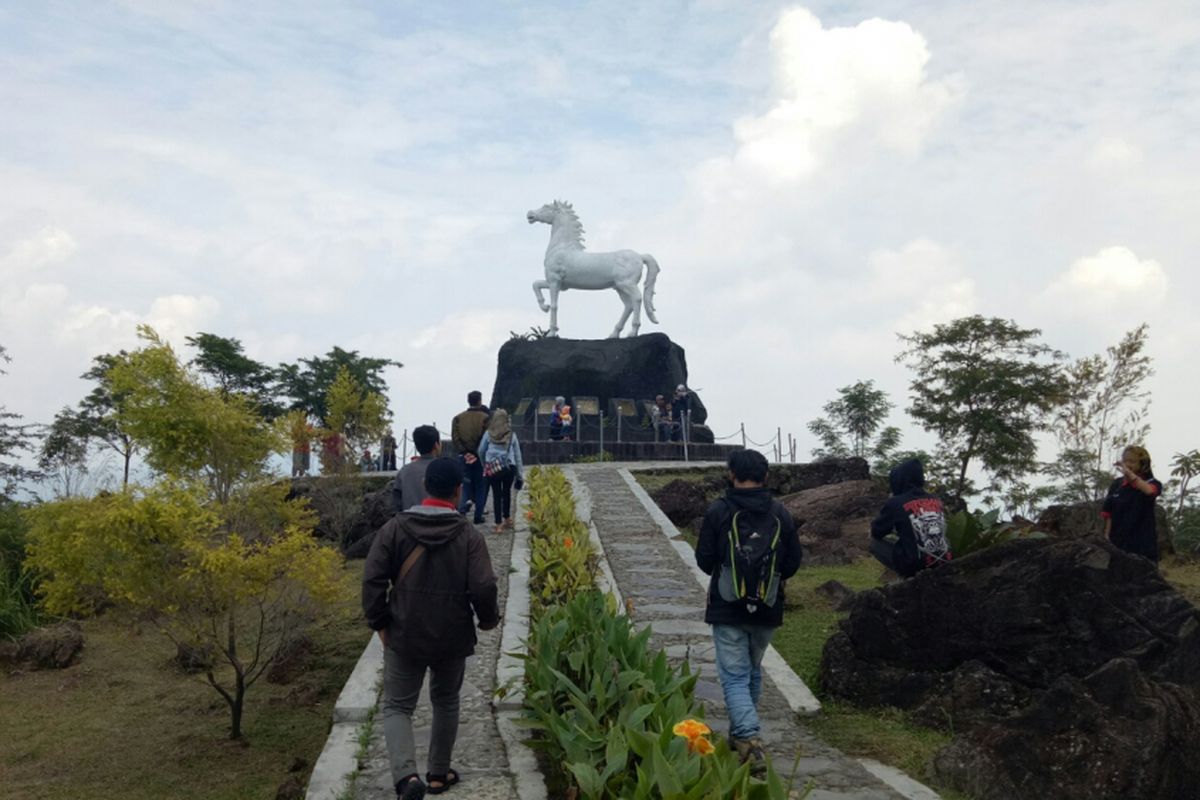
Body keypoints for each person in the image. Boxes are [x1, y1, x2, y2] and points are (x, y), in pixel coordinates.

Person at [362, 457, 500, 799]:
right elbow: (483, 586)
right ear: (458, 491)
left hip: (405, 630)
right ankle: (438, 774)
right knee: (446, 700)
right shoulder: (468, 535)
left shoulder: (394, 528)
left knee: (397, 706)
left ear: (425, 487)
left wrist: (380, 621)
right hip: (452, 633)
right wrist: (486, 620)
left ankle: (406, 778)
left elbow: (373, 579)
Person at [694, 449, 801, 773]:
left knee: (735, 676)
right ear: (765, 477)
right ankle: (740, 734)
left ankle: (749, 737)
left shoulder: (719, 510)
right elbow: (793, 563)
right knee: (752, 671)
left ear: (731, 474)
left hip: (728, 605)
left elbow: (703, 559)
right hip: (767, 607)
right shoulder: (780, 512)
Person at [869, 458, 952, 577]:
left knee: (874, 543)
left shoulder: (896, 503)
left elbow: (877, 531)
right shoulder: (936, 500)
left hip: (914, 565)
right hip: (944, 560)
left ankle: (906, 578)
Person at [1103, 445, 1163, 562]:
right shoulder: (1117, 485)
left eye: (1132, 461)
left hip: (1143, 543)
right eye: (1125, 461)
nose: (1127, 464)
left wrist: (1130, 475)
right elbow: (1108, 512)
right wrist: (1106, 536)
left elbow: (1150, 491)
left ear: (1142, 464)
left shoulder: (1152, 482)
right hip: (1118, 542)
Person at [478, 409, 525, 534]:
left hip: (493, 468)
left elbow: (481, 451)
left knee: (496, 495)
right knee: (507, 493)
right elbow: (518, 456)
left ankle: (498, 524)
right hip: (509, 468)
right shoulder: (512, 435)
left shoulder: (488, 434)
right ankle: (507, 518)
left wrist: (485, 464)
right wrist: (520, 475)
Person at [451, 391, 491, 524]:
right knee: (481, 486)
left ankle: (461, 512)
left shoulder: (457, 418)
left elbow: (455, 439)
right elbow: (485, 439)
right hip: (480, 457)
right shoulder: (485, 418)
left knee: (465, 484)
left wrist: (465, 452)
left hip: (463, 457)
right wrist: (475, 453)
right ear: (479, 401)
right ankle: (478, 515)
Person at [392, 425, 441, 513]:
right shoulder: (444, 469)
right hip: (440, 523)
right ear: (436, 445)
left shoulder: (404, 471)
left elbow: (396, 505)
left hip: (408, 523)